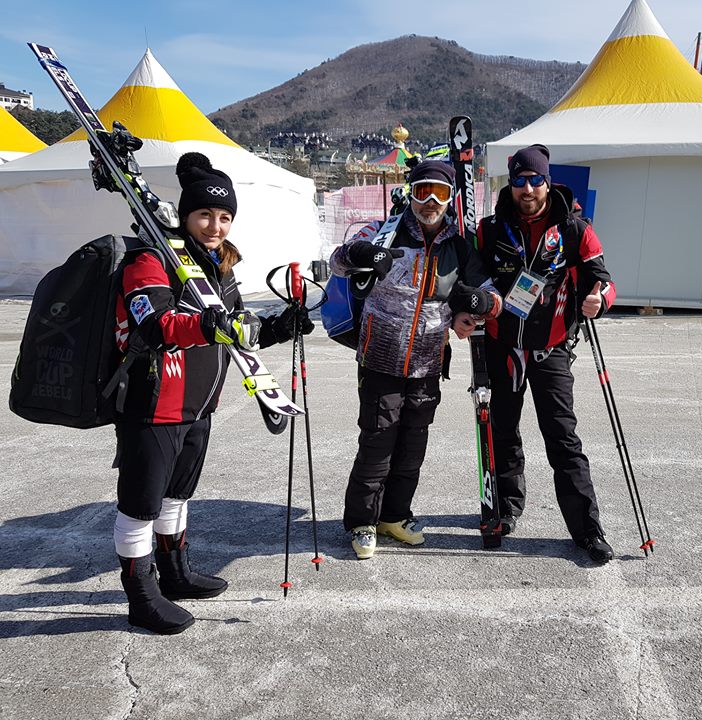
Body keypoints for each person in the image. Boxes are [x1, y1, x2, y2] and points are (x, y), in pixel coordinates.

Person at [113, 152, 313, 634]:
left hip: (198, 404)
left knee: (176, 496)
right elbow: (154, 323)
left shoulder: (218, 268)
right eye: (205, 214)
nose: (215, 226)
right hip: (153, 403)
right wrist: (209, 325)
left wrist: (278, 327)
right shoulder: (150, 259)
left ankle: (174, 572)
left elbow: (237, 330)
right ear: (185, 215)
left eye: (224, 217)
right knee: (140, 505)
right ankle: (141, 595)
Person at [329, 160, 501, 560]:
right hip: (380, 357)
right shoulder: (386, 232)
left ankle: (394, 515)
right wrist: (360, 252)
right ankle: (362, 522)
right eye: (423, 191)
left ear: (451, 198)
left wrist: (478, 305)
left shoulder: (458, 245)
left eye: (440, 194)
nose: (430, 202)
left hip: (427, 363)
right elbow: (338, 260)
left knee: (412, 447)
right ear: (411, 194)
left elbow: (493, 295)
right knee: (377, 443)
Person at [476, 144, 618, 564]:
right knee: (502, 432)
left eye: (535, 180)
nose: (527, 189)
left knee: (562, 438)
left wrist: (599, 301)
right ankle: (506, 508)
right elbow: (471, 279)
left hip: (551, 349)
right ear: (510, 184)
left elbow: (605, 282)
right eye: (519, 181)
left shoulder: (575, 229)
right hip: (503, 346)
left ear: (547, 181)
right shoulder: (490, 229)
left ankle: (587, 530)